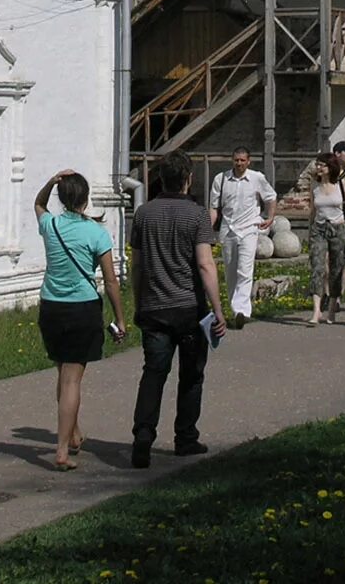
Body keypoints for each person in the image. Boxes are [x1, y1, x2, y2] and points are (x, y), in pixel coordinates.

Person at [130, 151, 228, 468]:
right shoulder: (196, 215)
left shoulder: (144, 214)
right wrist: (218, 309)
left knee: (153, 374)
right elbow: (205, 264)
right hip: (189, 308)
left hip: (154, 308)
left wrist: (138, 301)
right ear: (187, 179)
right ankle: (185, 438)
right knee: (191, 376)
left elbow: (138, 265)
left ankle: (143, 434)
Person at [33, 169, 127, 471]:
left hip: (51, 307)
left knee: (63, 372)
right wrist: (120, 318)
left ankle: (73, 434)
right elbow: (111, 281)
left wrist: (51, 182)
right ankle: (61, 450)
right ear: (86, 200)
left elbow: (38, 204)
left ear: (61, 199)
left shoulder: (50, 224)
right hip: (82, 308)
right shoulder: (97, 233)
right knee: (72, 379)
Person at [208, 148, 276, 329]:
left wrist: (270, 217)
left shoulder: (256, 178)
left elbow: (270, 197)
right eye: (236, 160)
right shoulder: (221, 179)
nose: (239, 163)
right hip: (228, 229)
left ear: (249, 161)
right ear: (232, 160)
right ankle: (235, 309)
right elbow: (214, 207)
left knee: (245, 269)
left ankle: (242, 311)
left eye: (242, 160)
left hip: (249, 228)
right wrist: (208, 229)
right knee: (231, 270)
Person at [306, 153, 345, 326]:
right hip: (319, 228)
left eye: (322, 165)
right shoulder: (314, 186)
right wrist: (310, 229)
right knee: (317, 267)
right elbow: (312, 210)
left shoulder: (341, 185)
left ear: (330, 167)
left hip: (338, 228)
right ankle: (316, 311)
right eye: (317, 165)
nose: (319, 168)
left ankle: (332, 308)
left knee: (337, 269)